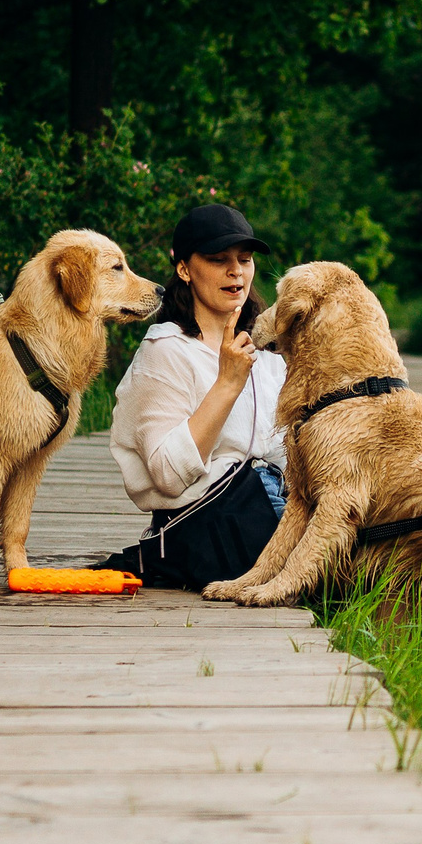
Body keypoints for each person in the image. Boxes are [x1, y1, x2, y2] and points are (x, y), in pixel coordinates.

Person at [102, 204, 288, 587]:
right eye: (218, 259)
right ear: (184, 269)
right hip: (208, 521)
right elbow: (169, 476)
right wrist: (227, 383)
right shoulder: (165, 352)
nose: (236, 270)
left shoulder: (269, 351)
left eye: (245, 259)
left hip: (273, 506)